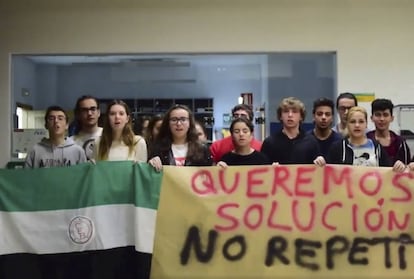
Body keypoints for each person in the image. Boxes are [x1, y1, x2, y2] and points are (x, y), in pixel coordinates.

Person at [327, 106, 405, 172]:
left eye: (361, 122)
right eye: (353, 122)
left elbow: (389, 171)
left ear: (366, 124)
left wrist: (399, 166)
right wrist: (321, 162)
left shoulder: (376, 147)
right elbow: (328, 172)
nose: (357, 125)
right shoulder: (337, 148)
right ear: (347, 124)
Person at [261, 97, 325, 166]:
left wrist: (320, 162)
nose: (290, 115)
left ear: (301, 117)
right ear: (280, 116)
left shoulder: (311, 142)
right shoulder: (270, 142)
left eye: (294, 112)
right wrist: (271, 168)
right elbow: (261, 170)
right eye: (286, 111)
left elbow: (318, 171)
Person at [148, 104, 212, 171]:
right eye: (174, 120)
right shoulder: (158, 149)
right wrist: (150, 164)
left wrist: (220, 167)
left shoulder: (202, 149)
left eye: (183, 119)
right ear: (168, 124)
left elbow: (210, 174)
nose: (178, 124)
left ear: (190, 123)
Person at [366, 98, 411, 165]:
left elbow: (407, 167)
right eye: (378, 115)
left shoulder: (400, 143)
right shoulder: (366, 140)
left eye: (385, 115)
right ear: (372, 118)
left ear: (392, 118)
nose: (382, 119)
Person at [70, 95, 103, 160]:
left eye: (93, 109)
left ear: (98, 112)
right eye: (84, 110)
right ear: (78, 114)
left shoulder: (109, 136)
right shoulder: (71, 142)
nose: (89, 113)